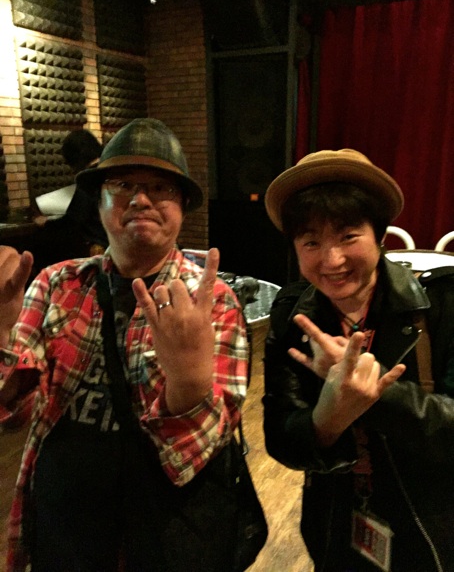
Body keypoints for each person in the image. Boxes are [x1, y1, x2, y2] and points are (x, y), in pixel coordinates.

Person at [0, 118, 249, 571]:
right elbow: (13, 412)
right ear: (99, 202)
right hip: (63, 525)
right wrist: (0, 334)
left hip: (165, 532)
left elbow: (198, 453)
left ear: (182, 207)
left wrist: (187, 380)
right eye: (123, 185)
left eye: (160, 187)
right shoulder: (56, 284)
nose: (140, 199)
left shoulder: (212, 302)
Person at [262, 148, 454, 572]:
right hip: (334, 523)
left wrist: (377, 395)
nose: (332, 260)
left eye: (348, 236)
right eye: (311, 242)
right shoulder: (292, 314)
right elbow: (279, 437)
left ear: (379, 235)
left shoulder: (443, 302)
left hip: (430, 527)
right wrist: (325, 420)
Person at [28, 129, 108, 275]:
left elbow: (74, 219)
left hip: (96, 249)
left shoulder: (88, 178)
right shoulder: (109, 172)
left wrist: (46, 222)